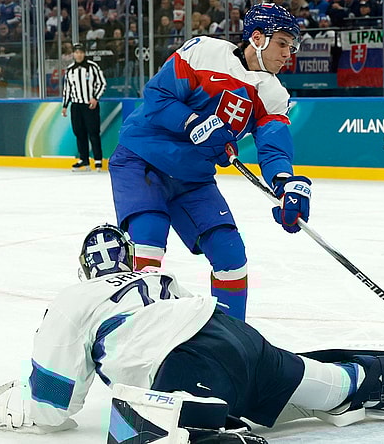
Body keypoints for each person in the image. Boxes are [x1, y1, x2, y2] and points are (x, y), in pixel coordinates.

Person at [0, 224, 384, 441]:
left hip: (188, 364)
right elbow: (189, 322)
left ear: (83, 270)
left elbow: (54, 407)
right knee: (335, 385)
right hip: (239, 338)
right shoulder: (156, 279)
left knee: (131, 429)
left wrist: (13, 409)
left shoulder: (72, 299)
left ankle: (207, 432)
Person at [108, 3, 313, 322]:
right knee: (148, 244)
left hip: (192, 177)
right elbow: (157, 96)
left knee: (231, 255)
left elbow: (273, 145)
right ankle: (134, 336)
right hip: (143, 159)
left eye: (291, 46)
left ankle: (233, 342)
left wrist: (285, 183)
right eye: (282, 43)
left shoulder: (272, 93)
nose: (288, 53)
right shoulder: (203, 51)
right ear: (257, 38)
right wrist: (192, 122)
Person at [62, 43, 107, 172]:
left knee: (93, 132)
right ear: (73, 54)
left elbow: (102, 83)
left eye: (81, 52)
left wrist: (95, 98)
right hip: (76, 105)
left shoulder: (93, 67)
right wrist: (65, 105)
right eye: (76, 52)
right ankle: (84, 159)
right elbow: (67, 89)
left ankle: (98, 159)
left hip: (89, 105)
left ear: (84, 54)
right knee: (79, 132)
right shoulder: (70, 70)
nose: (79, 54)